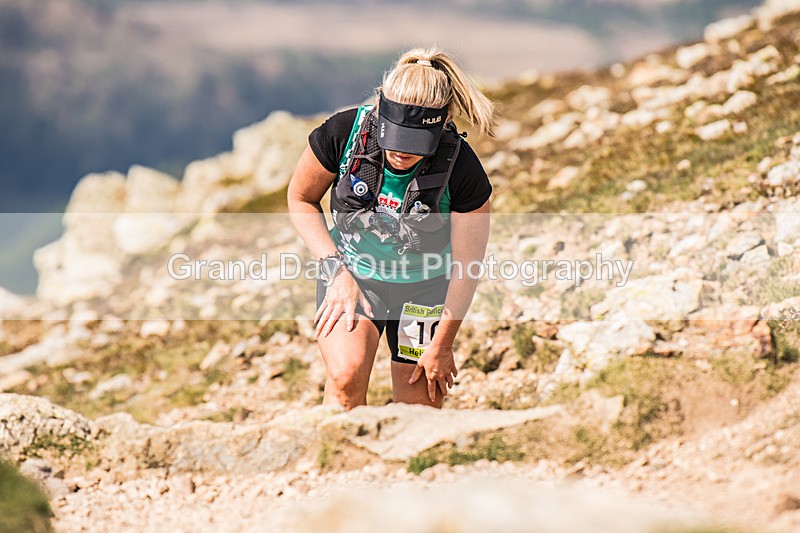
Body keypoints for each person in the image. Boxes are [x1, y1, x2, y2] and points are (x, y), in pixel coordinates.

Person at [287, 47, 495, 410]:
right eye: (394, 137)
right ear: (381, 109)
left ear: (443, 122)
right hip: (353, 274)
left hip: (426, 290)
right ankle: (337, 460)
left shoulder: (462, 168)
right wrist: (336, 272)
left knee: (420, 404)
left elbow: (467, 266)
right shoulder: (341, 133)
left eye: (415, 144)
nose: (400, 152)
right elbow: (301, 200)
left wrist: (442, 345)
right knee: (345, 378)